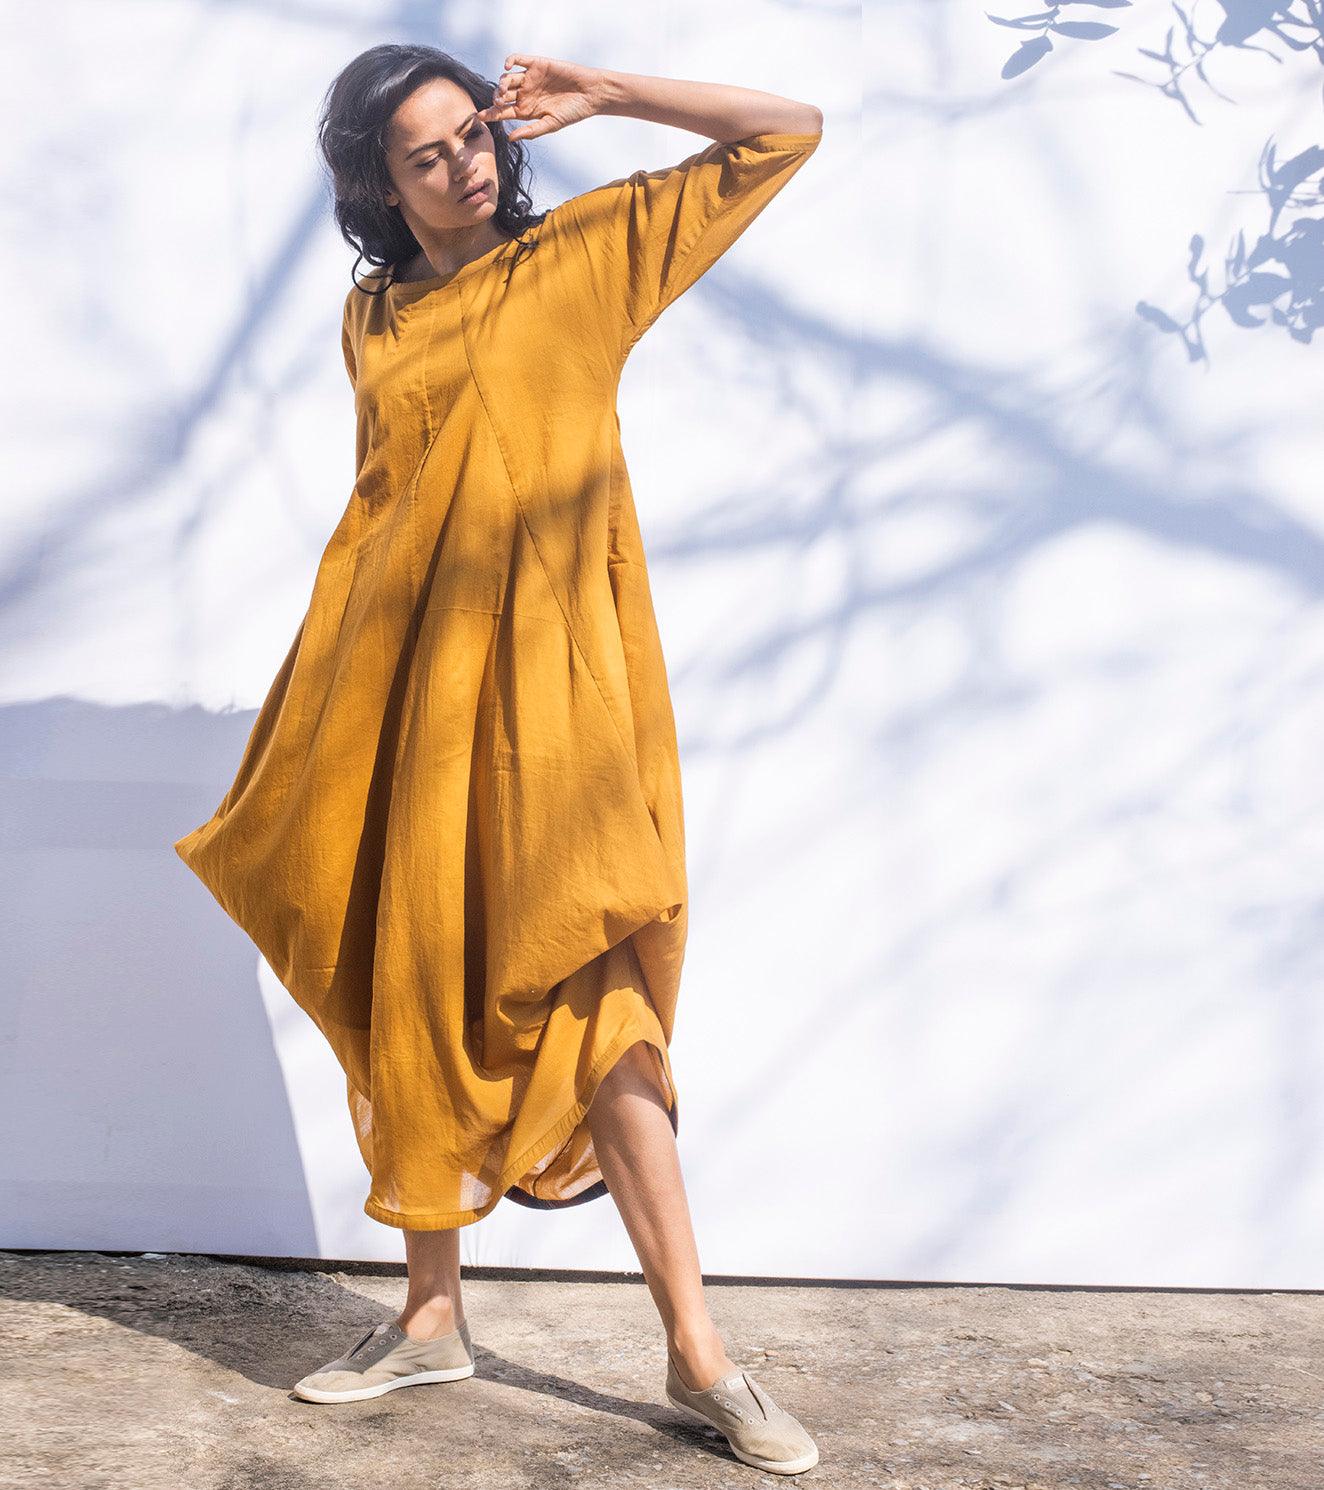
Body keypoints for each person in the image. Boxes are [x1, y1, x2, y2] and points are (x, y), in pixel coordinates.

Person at [173, 42, 823, 1476]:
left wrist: (615, 96)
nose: (468, 165)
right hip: (409, 691)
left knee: (600, 1009)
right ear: (376, 185)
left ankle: (699, 1352)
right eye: (429, 154)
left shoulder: (586, 257)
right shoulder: (374, 315)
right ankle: (429, 1319)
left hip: (555, 706)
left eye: (474, 134)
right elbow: (383, 507)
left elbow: (787, 131)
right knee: (415, 970)